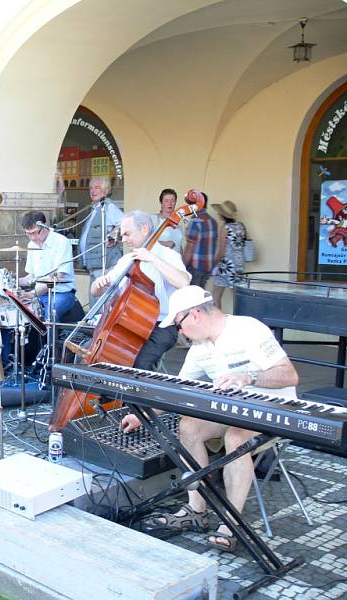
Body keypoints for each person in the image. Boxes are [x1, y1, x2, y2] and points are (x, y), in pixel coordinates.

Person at [121, 286, 299, 552]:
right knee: (188, 425)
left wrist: (248, 377)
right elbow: (177, 392)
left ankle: (231, 522)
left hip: (274, 410)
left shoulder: (248, 328)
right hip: (233, 411)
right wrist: (143, 415)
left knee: (235, 436)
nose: (179, 333)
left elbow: (289, 375)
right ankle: (197, 509)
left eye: (179, 324)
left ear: (195, 315)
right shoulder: (200, 348)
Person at [91, 210, 190, 370]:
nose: (123, 240)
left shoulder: (169, 256)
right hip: (128, 325)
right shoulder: (126, 260)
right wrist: (98, 284)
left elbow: (184, 283)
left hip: (162, 325)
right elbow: (95, 291)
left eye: (127, 234)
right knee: (96, 352)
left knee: (139, 363)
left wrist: (152, 258)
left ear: (144, 229)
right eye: (122, 235)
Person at [17, 211, 76, 321]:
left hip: (61, 293)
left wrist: (32, 293)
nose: (33, 238)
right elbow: (31, 277)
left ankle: (52, 338)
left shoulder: (61, 242)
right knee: (18, 312)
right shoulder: (31, 245)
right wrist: (12, 281)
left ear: (44, 226)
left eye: (35, 233)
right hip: (39, 294)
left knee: (50, 313)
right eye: (29, 234)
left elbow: (58, 278)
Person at [79, 177, 123, 298]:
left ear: (106, 190)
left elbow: (124, 223)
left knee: (101, 303)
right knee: (95, 301)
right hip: (94, 265)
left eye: (97, 188)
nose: (93, 191)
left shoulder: (109, 207)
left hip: (105, 264)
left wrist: (114, 235)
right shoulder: (95, 208)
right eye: (91, 188)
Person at [211, 200, 247, 308]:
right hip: (238, 265)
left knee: (216, 295)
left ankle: (217, 321)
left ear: (223, 215)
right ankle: (239, 320)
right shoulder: (241, 226)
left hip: (225, 265)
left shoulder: (225, 228)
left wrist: (213, 264)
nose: (218, 214)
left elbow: (221, 251)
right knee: (236, 297)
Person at [182, 192, 218, 288]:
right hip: (208, 267)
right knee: (200, 296)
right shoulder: (213, 221)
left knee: (192, 298)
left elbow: (190, 248)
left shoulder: (195, 222)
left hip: (195, 267)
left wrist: (182, 267)